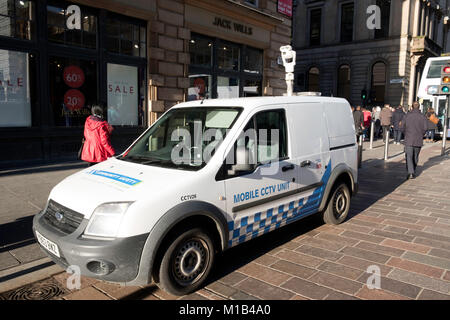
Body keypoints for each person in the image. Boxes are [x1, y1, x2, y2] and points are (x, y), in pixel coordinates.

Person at [401, 101, 428, 180]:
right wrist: (421, 134)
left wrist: (405, 133)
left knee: (409, 156)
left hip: (409, 138)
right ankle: (412, 170)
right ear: (419, 107)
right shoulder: (423, 116)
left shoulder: (407, 116)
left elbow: (402, 126)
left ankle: (410, 172)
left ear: (412, 107)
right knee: (415, 156)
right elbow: (425, 128)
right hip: (418, 139)